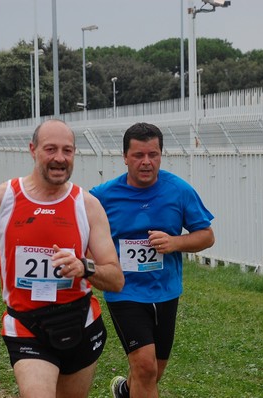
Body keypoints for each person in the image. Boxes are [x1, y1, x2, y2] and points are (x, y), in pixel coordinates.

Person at [0, 119, 124, 398]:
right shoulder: (2, 198)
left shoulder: (87, 206)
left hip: (80, 322)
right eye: (50, 149)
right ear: (33, 150)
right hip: (26, 325)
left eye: (67, 151)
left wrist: (83, 267)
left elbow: (116, 279)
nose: (59, 158)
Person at [89, 122, 215, 398]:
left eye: (153, 154)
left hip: (165, 290)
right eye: (138, 155)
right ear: (124, 157)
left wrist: (175, 242)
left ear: (160, 155)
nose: (146, 162)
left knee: (153, 371)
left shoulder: (178, 190)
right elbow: (80, 231)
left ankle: (125, 391)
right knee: (144, 367)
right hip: (124, 291)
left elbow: (206, 236)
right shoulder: (102, 196)